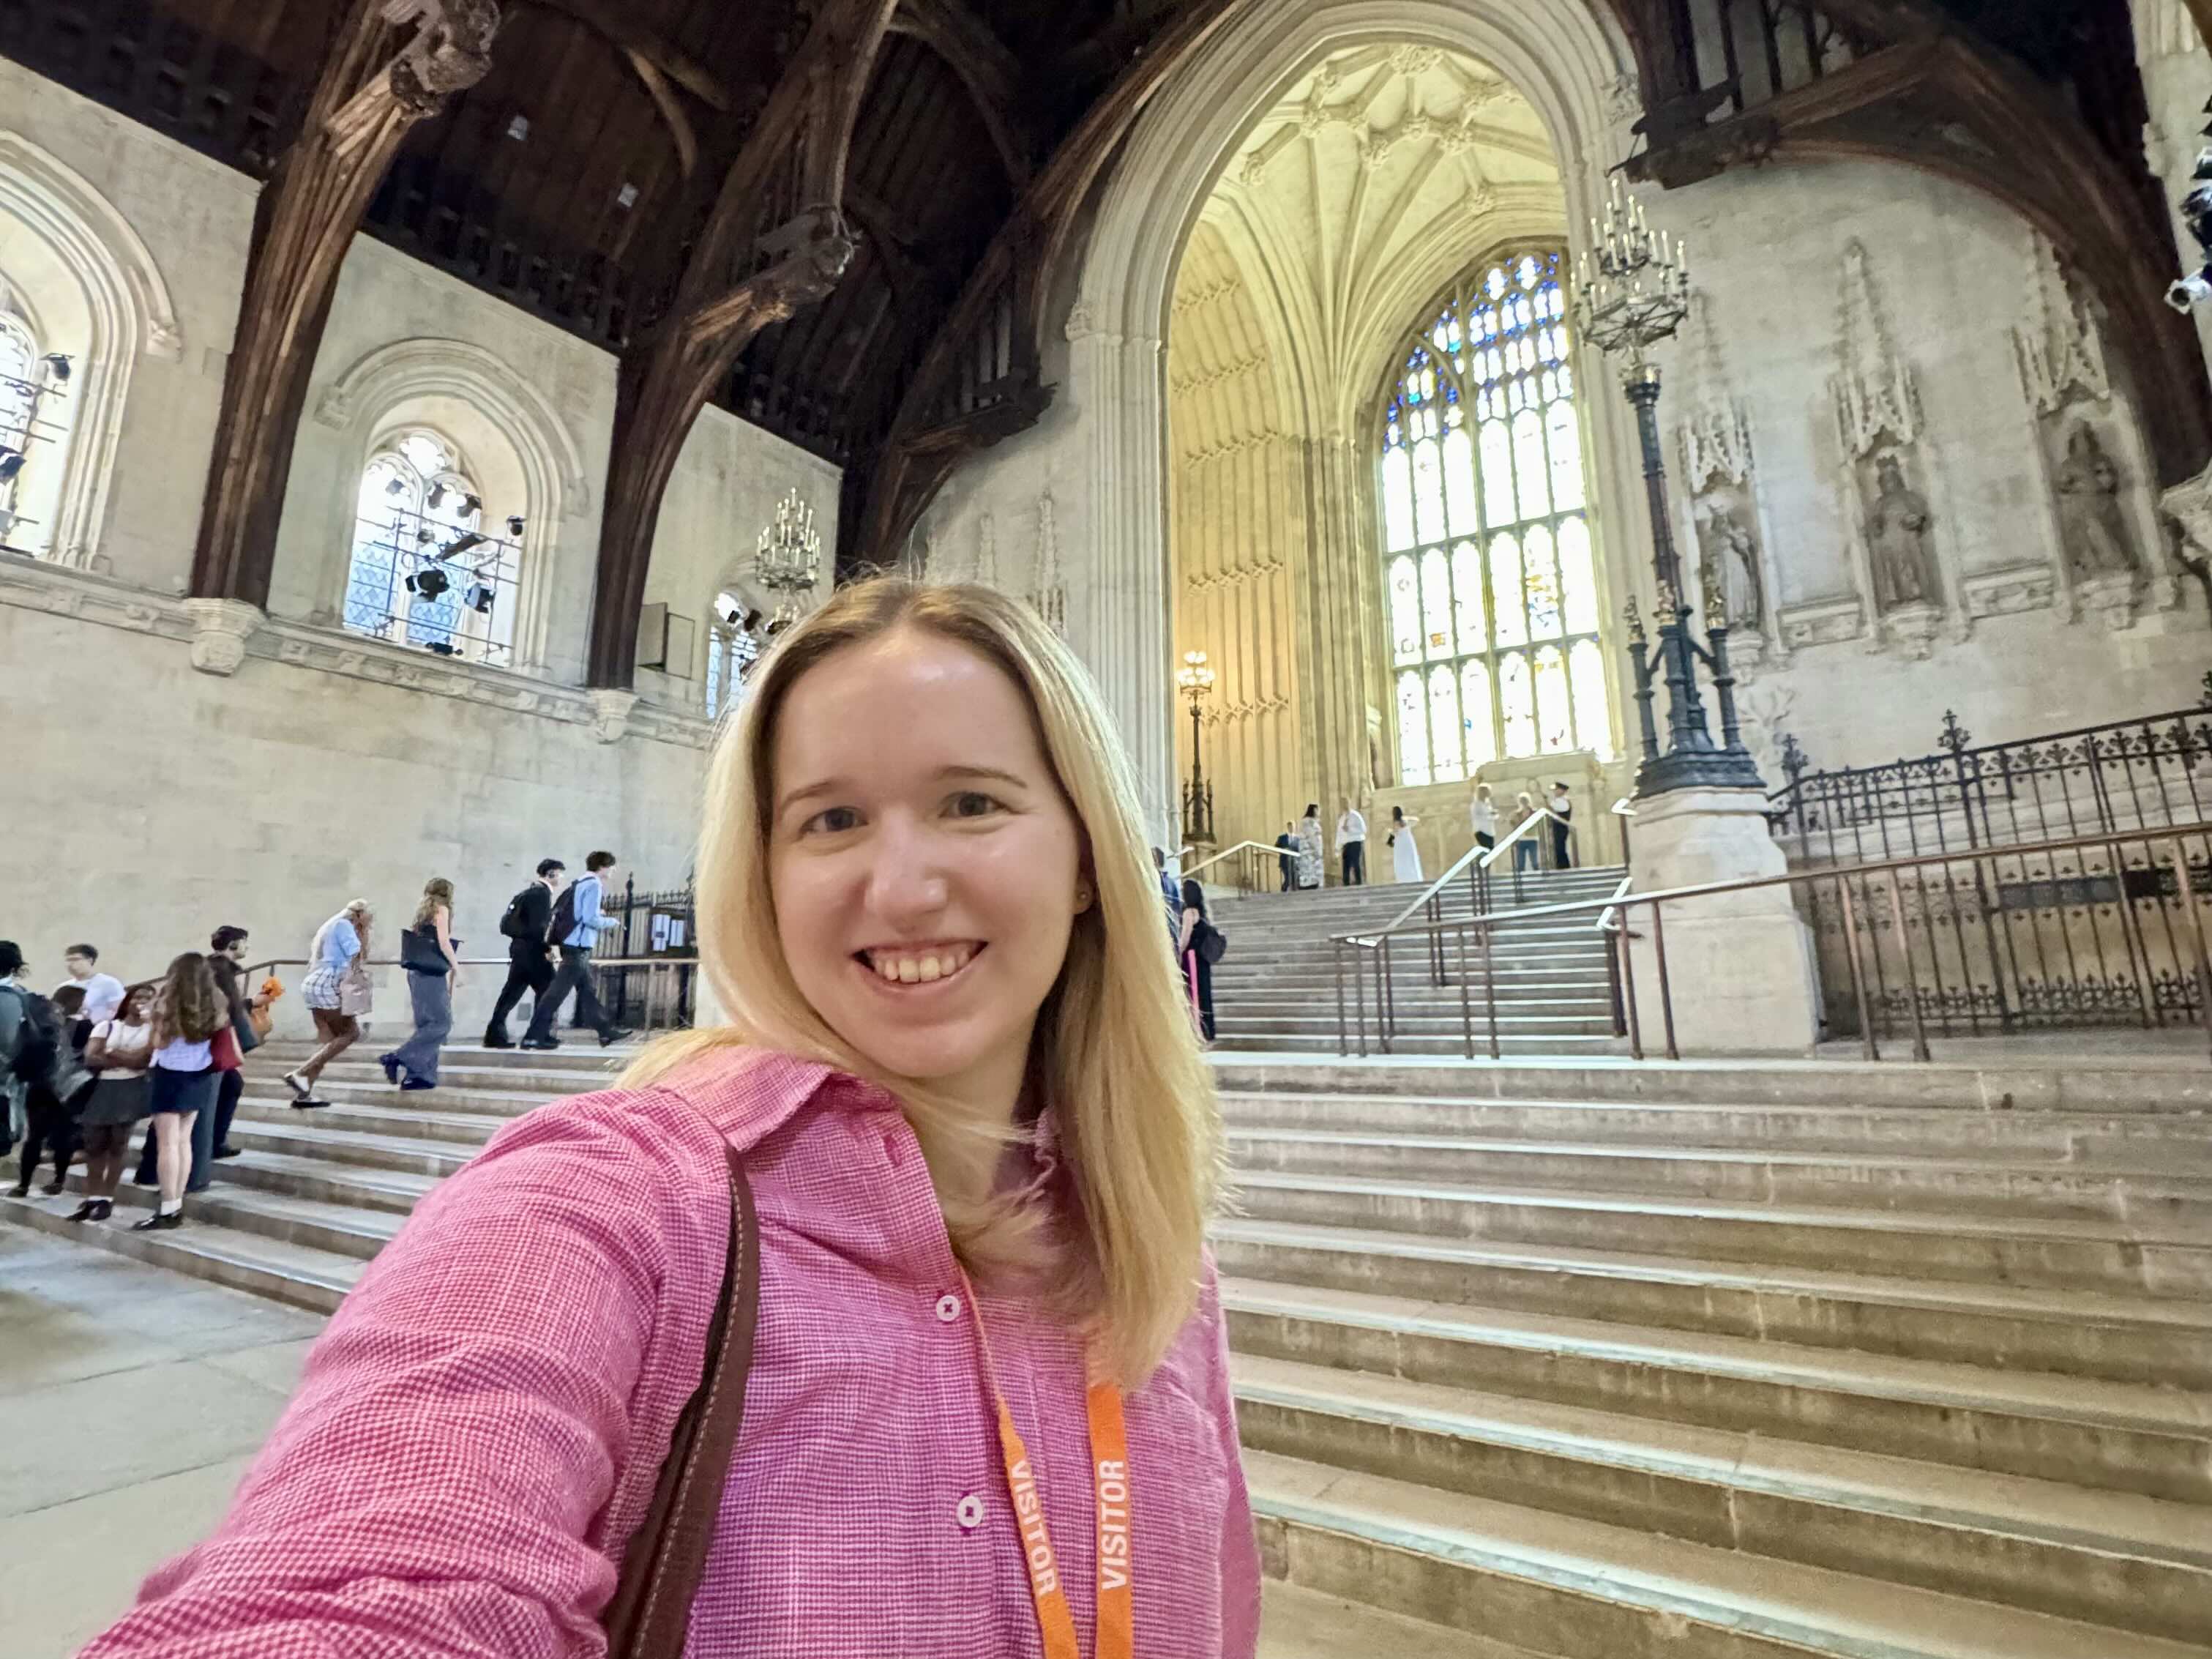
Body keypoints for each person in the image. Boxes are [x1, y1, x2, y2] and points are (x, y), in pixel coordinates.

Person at [81, 578, 1258, 1658]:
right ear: (764, 871)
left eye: (970, 801)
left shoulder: (1154, 1257)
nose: (900, 886)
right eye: (831, 820)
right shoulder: (617, 1197)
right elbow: (355, 1585)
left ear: (1091, 856)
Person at [136, 952, 223, 1231]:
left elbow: (159, 1044)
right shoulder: (217, 1000)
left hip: (169, 1074)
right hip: (200, 1074)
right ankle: (177, 1205)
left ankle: (167, 1205)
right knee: (184, 1141)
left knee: (167, 1144)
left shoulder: (167, 1002)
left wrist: (151, 1021)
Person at [520, 851, 633, 1051]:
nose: (614, 870)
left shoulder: (579, 883)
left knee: (587, 990)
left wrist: (597, 914)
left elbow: (580, 913)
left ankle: (605, 1031)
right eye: (612, 866)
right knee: (556, 993)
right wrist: (612, 922)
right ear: (603, 866)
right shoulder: (594, 885)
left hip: (570, 944)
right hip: (579, 947)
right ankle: (533, 1036)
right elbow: (590, 919)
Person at [72, 982, 154, 1223]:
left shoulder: (153, 1030)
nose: (142, 1002)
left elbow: (143, 1061)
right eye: (138, 996)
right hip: (104, 1088)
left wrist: (113, 1054)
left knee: (119, 1143)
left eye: (149, 998)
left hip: (132, 1088)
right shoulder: (107, 1026)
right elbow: (91, 1057)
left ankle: (108, 1197)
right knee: (95, 1144)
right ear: (127, 1001)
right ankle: (93, 1197)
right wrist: (125, 1058)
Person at [283, 901, 373, 1108]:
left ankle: (304, 1094)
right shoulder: (344, 926)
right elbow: (357, 954)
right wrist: (364, 933)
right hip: (329, 983)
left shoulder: (334, 925)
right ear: (359, 914)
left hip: (318, 982)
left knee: (330, 1042)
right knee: (351, 1033)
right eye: (368, 915)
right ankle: (300, 1073)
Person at [383, 878, 460, 1091]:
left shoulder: (422, 910)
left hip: (417, 972)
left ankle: (420, 1076)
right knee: (442, 1023)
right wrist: (457, 968)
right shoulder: (441, 909)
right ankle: (398, 1057)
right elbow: (444, 942)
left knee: (427, 1024)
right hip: (432, 973)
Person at [12, 982, 84, 1197]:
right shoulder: (82, 1026)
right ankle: (58, 1180)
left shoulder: (40, 1020)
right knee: (65, 1136)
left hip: (39, 1083)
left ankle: (23, 1184)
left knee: (35, 1136)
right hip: (68, 1087)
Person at [485, 859, 564, 1048]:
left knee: (511, 993)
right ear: (551, 874)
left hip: (519, 950)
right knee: (550, 991)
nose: (561, 878)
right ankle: (537, 1036)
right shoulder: (542, 894)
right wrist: (547, 949)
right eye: (560, 873)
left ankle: (494, 1035)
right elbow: (539, 927)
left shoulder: (527, 892)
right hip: (534, 952)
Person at [205, 926, 266, 1168]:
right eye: (244, 942)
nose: (247, 947)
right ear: (232, 945)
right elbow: (224, 1004)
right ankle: (214, 1143)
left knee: (231, 1085)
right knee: (228, 1085)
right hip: (211, 1040)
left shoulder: (214, 967)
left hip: (209, 1038)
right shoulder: (220, 969)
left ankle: (215, 1141)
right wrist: (252, 1002)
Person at [1178, 876, 1218, 1043]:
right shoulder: (1203, 912)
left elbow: (1185, 938)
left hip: (1192, 958)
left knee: (1194, 994)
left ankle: (1198, 1031)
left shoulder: (1188, 913)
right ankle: (1208, 1030)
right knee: (1204, 993)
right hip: (1203, 960)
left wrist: (1177, 952)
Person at [60, 943, 126, 1025]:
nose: (70, 964)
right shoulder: (64, 987)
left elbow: (119, 1011)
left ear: (90, 961)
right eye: (68, 960)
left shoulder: (109, 983)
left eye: (75, 959)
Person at [1335, 796, 1367, 887]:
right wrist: (1337, 848)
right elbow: (1339, 834)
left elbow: (1363, 830)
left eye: (1345, 802)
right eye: (1342, 803)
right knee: (1346, 866)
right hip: (1346, 844)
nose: (1344, 805)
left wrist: (1350, 829)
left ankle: (1359, 883)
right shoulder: (1342, 819)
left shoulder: (1356, 816)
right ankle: (1346, 885)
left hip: (1356, 842)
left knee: (1356, 863)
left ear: (1349, 803)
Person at [1389, 805, 1424, 884]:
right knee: (1410, 860)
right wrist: (1406, 819)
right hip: (1408, 842)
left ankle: (1404, 879)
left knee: (1402, 861)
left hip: (1400, 843)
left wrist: (1391, 833)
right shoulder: (1405, 821)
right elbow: (1416, 820)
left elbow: (1395, 833)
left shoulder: (1396, 822)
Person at [1151, 846, 1181, 935]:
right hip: (1171, 925)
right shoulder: (1172, 882)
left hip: (1159, 926)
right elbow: (1178, 906)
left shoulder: (1154, 882)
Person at [1296, 802, 1324, 891]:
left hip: (1311, 852)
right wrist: (1317, 849)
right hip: (1310, 852)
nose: (1320, 812)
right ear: (1315, 810)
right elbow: (1312, 836)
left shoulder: (1312, 821)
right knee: (1310, 874)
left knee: (1311, 874)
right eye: (1319, 810)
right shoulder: (1308, 821)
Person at [1512, 791, 1542, 873]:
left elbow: (1537, 823)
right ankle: (1520, 881)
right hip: (1521, 839)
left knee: (1535, 861)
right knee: (1520, 862)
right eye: (1521, 800)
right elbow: (1515, 825)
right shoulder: (1517, 813)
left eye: (1525, 800)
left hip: (1532, 838)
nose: (1523, 802)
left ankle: (1539, 878)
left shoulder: (1534, 812)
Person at [1549, 781, 1575, 870]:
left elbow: (1558, 810)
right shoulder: (1558, 800)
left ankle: (1564, 866)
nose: (1554, 792)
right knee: (1557, 847)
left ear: (1561, 790)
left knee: (1560, 847)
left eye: (1556, 790)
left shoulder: (1564, 801)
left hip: (1561, 827)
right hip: (1557, 827)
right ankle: (1560, 865)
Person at [1470, 782, 1498, 853]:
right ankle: (1478, 863)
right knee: (1486, 851)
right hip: (1481, 831)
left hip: (1490, 831)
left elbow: (1491, 816)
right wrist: (1489, 815)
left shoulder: (1488, 804)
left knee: (1491, 852)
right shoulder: (1476, 804)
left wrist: (1494, 815)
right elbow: (1476, 817)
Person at [1274, 821, 1299, 892]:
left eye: (1293, 827)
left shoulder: (1298, 839)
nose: (1292, 828)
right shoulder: (1282, 838)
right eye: (1290, 827)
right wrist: (1284, 849)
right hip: (1285, 862)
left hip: (1295, 862)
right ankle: (1283, 890)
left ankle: (1294, 893)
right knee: (1288, 878)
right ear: (1288, 827)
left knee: (1294, 879)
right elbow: (1276, 847)